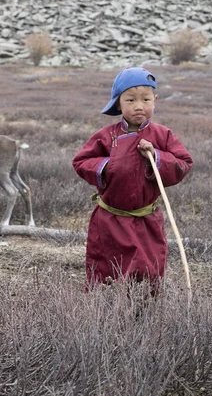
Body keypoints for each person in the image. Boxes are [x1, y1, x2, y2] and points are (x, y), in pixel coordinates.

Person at [72, 67, 193, 290]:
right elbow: (80, 162)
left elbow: (184, 163)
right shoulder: (106, 136)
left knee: (149, 268)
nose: (139, 106)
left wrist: (156, 156)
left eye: (145, 99)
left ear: (155, 100)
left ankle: (144, 313)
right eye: (130, 100)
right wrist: (110, 164)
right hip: (109, 220)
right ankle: (104, 310)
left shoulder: (162, 135)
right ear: (118, 104)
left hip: (147, 220)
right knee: (106, 269)